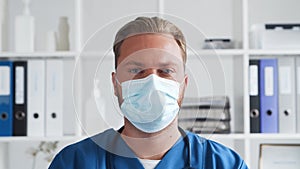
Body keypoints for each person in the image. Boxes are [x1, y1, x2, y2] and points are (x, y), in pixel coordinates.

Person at [49, 16, 248, 169]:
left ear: (183, 85)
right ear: (115, 84)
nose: (152, 82)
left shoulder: (223, 164)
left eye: (166, 71)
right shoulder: (74, 162)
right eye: (136, 70)